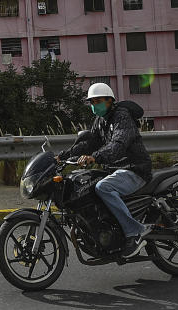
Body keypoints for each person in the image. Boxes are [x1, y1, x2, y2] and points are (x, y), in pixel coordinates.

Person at [58, 82, 153, 258]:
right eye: (92, 102)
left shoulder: (122, 117)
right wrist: (62, 157)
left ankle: (135, 232)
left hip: (135, 169)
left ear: (110, 101)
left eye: (99, 101)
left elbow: (119, 143)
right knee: (83, 184)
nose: (95, 105)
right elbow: (89, 143)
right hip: (114, 170)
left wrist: (95, 157)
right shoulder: (101, 121)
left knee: (104, 188)